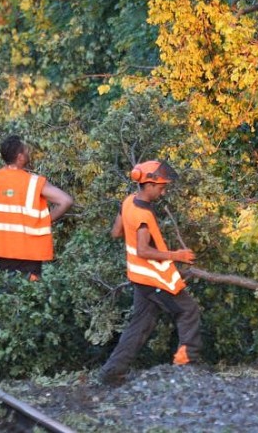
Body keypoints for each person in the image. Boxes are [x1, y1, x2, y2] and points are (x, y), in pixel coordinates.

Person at [98, 160, 201, 385]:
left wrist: (131, 230)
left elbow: (116, 232)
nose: (163, 191)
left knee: (141, 325)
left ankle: (111, 372)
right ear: (148, 184)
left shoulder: (127, 203)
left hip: (138, 276)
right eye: (161, 187)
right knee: (188, 310)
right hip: (153, 277)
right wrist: (178, 255)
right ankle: (187, 363)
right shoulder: (143, 215)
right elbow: (143, 250)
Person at [0, 135, 73, 280]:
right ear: (20, 157)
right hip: (29, 254)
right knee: (29, 298)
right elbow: (65, 201)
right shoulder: (34, 182)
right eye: (26, 151)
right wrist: (45, 220)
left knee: (3, 296)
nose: (29, 153)